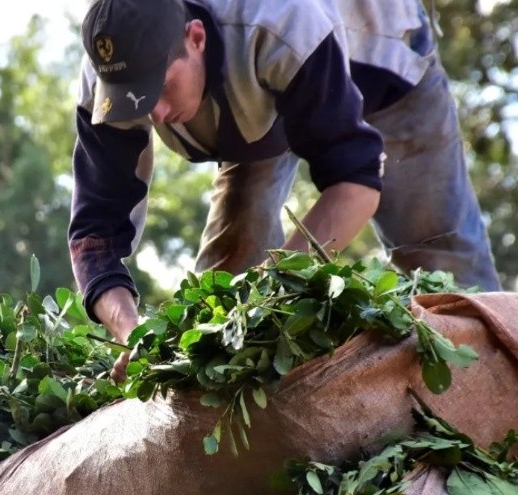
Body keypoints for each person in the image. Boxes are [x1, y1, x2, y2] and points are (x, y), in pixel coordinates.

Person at [70, 0, 501, 381]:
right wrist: (134, 335)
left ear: (195, 38)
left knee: (443, 260)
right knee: (225, 285)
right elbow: (96, 237)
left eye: (160, 89)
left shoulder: (282, 20)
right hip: (256, 88)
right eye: (136, 98)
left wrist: (269, 291)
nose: (158, 115)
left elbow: (355, 180)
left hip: (378, 56)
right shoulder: (110, 69)